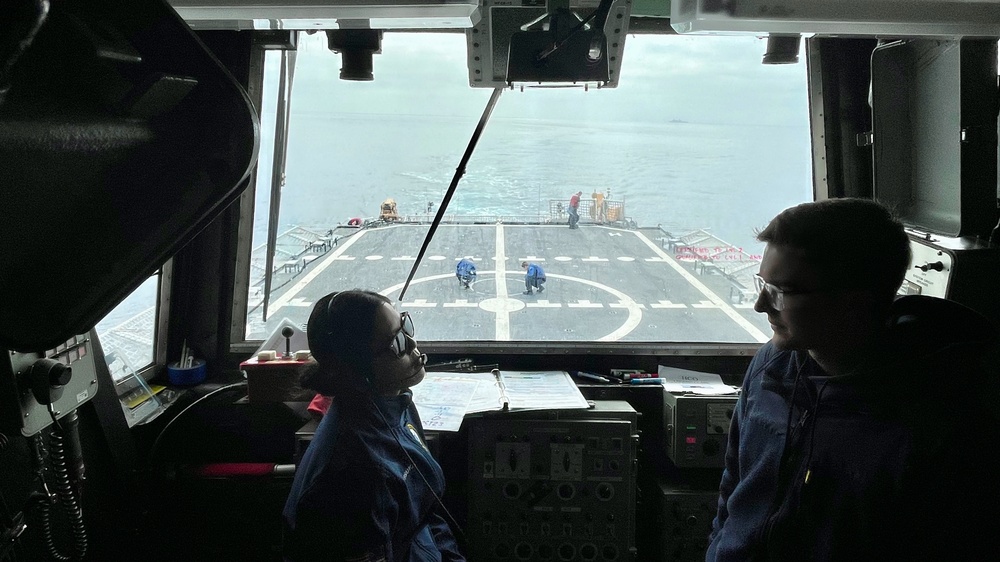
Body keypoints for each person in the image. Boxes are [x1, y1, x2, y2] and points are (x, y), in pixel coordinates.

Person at [706, 198, 1000, 561]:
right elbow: (734, 484)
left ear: (855, 302)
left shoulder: (938, 423)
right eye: (762, 284)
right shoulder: (772, 363)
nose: (761, 305)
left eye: (782, 292)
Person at [283, 290, 465, 562]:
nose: (413, 345)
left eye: (406, 326)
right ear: (359, 371)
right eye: (396, 343)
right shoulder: (353, 474)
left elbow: (427, 511)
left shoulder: (396, 403)